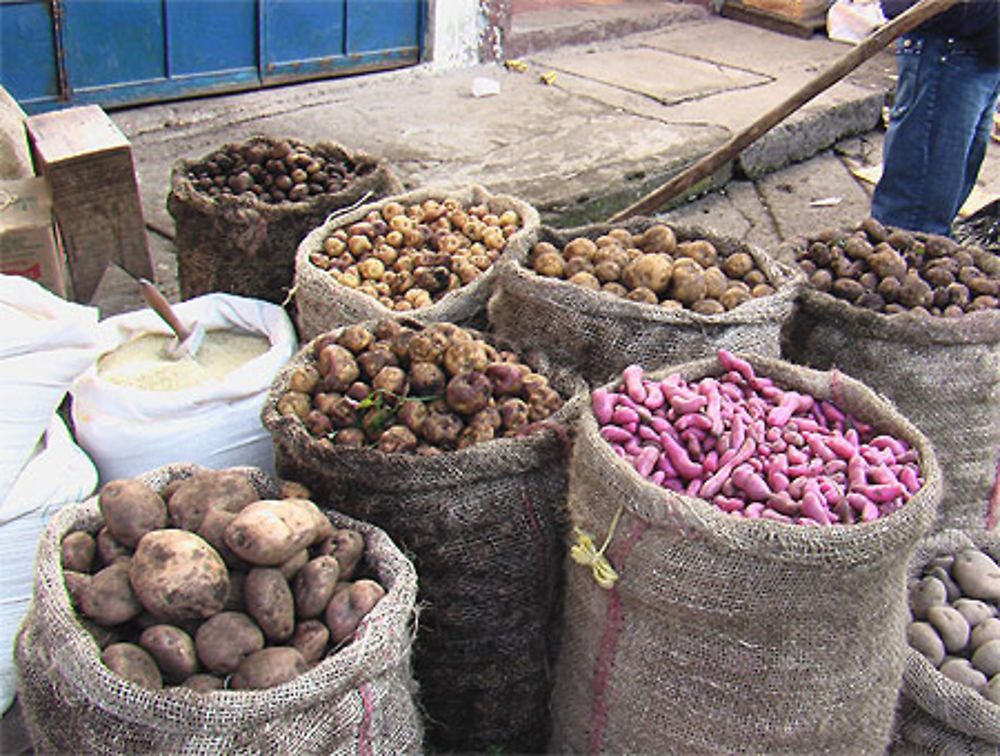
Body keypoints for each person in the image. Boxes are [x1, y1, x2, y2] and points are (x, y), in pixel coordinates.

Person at [870, 0, 1000, 236]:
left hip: (984, 47)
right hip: (950, 45)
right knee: (914, 217)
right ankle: (907, 259)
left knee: (945, 196)